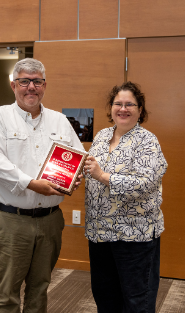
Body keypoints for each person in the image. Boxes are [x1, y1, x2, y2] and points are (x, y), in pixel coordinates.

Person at [0, 58, 85, 313]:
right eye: (24, 81)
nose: (31, 87)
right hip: (11, 221)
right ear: (14, 85)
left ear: (44, 85)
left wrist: (76, 177)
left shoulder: (59, 121)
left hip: (50, 221)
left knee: (40, 289)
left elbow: (78, 156)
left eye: (37, 81)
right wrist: (32, 184)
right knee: (7, 294)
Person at [83, 81, 168, 313]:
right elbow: (90, 168)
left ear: (140, 110)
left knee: (136, 300)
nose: (123, 108)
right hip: (100, 234)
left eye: (129, 104)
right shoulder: (101, 136)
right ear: (110, 108)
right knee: (105, 296)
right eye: (118, 103)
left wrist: (102, 176)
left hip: (134, 236)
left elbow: (144, 184)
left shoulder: (147, 141)